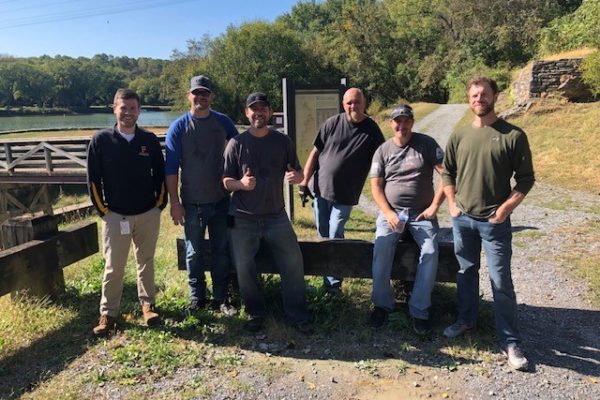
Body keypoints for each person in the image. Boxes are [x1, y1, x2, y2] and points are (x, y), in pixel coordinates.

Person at [442, 76, 535, 371]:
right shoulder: (459, 136)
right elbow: (447, 173)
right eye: (473, 95)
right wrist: (452, 204)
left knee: (500, 281)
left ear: (495, 96)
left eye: (484, 94)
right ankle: (466, 320)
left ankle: (510, 340)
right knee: (465, 272)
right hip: (463, 220)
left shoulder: (513, 136)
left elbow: (526, 179)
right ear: (469, 99)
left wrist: (506, 209)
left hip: (494, 222)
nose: (478, 99)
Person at [223, 92, 313, 333]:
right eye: (254, 109)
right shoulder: (236, 143)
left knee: (293, 262)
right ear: (246, 113)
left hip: (276, 216)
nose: (258, 113)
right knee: (244, 266)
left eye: (263, 108)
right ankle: (255, 312)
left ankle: (297, 314)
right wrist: (240, 184)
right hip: (242, 217)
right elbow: (226, 181)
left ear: (270, 112)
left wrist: (297, 177)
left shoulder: (282, 142)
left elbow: (300, 173)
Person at [87, 88, 167, 336]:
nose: (128, 113)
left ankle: (148, 306)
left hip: (147, 214)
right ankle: (108, 315)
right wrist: (104, 212)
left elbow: (160, 177)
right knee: (114, 267)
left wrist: (158, 206)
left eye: (133, 108)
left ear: (139, 111)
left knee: (146, 262)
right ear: (114, 108)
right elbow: (92, 180)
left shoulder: (149, 140)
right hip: (115, 215)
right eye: (124, 108)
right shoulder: (100, 140)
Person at [165, 75, 239, 314]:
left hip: (220, 201)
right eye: (196, 93)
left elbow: (240, 149)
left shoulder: (223, 122)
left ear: (211, 97)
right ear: (189, 96)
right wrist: (174, 202)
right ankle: (197, 297)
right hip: (192, 202)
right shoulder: (179, 127)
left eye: (205, 94)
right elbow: (171, 168)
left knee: (221, 251)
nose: (201, 98)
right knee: (194, 252)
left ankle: (221, 298)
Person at [300, 88, 385, 295]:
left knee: (335, 232)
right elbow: (314, 153)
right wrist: (304, 181)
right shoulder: (332, 123)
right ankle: (326, 275)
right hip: (320, 189)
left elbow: (384, 158)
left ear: (364, 103)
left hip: (346, 194)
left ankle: (334, 284)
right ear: (343, 104)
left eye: (356, 102)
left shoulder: (372, 130)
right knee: (322, 233)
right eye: (348, 103)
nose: (352, 106)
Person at [369, 104, 445, 335]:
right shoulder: (382, 150)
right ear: (391, 123)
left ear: (412, 122)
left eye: (406, 121)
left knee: (431, 250)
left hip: (422, 213)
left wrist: (434, 207)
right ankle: (382, 303)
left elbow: (449, 174)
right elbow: (376, 187)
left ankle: (419, 310)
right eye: (397, 121)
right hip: (393, 213)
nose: (401, 125)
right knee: (381, 246)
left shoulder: (427, 144)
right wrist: (388, 212)